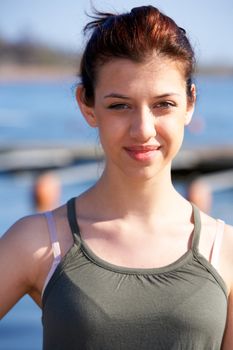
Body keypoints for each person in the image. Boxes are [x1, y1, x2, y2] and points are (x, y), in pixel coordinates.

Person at [0, 6, 233, 349]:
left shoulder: (225, 250)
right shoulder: (38, 241)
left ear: (190, 103)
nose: (143, 129)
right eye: (120, 105)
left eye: (163, 104)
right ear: (87, 105)